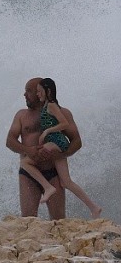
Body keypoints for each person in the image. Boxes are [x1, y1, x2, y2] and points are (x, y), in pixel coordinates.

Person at [25, 78, 102, 217]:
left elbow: (64, 123)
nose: (37, 94)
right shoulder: (46, 105)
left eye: (39, 91)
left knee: (25, 162)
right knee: (66, 182)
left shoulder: (52, 105)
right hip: (55, 143)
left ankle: (48, 187)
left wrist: (47, 132)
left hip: (57, 142)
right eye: (36, 92)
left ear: (47, 91)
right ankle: (94, 208)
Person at [6, 78, 80, 219]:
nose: (24, 95)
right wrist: (28, 150)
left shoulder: (61, 112)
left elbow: (76, 141)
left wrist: (63, 154)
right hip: (29, 174)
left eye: (28, 91)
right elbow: (10, 141)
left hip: (53, 172)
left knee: (58, 221)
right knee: (28, 220)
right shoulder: (22, 115)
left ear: (42, 92)